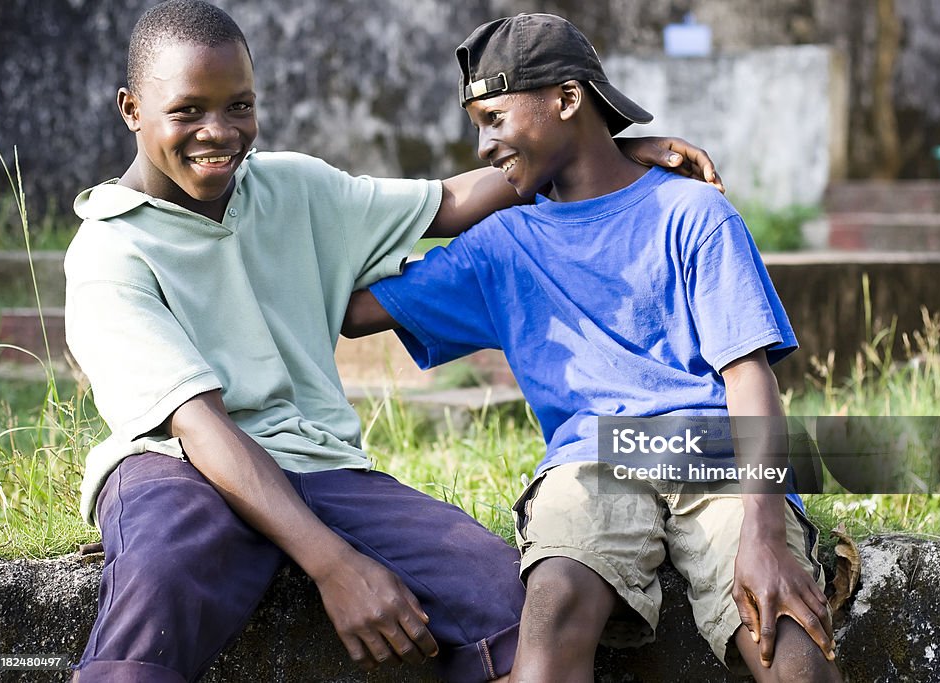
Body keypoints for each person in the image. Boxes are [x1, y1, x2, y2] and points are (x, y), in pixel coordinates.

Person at [64, 2, 722, 681]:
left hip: (319, 464)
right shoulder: (110, 254)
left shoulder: (293, 186)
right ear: (131, 108)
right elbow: (201, 429)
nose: (219, 131)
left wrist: (593, 153)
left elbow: (450, 200)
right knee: (164, 576)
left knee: (505, 597)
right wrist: (335, 564)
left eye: (240, 106)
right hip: (179, 465)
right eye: (188, 111)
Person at [344, 13, 843, 683]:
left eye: (494, 119)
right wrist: (533, 172)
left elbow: (750, 380)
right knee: (552, 608)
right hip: (592, 457)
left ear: (568, 100)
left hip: (713, 449)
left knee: (785, 636)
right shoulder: (502, 245)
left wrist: (761, 536)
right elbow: (352, 310)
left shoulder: (692, 213)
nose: (485, 145)